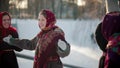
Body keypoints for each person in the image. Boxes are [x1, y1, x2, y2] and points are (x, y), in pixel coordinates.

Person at [3, 9, 70, 68]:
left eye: (43, 20)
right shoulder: (42, 34)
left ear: (49, 20)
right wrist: (12, 40)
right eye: (39, 19)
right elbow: (30, 44)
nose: (40, 22)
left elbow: (65, 53)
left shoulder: (56, 35)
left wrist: (64, 48)